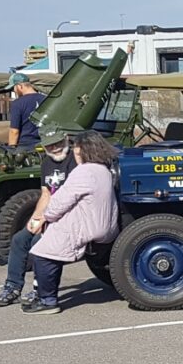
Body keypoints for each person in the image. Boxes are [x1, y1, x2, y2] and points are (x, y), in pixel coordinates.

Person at [25, 130, 118, 314]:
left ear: (83, 151)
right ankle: (46, 296)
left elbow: (60, 200)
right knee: (52, 250)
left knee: (43, 254)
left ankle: (47, 300)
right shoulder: (104, 170)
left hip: (87, 228)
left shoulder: (83, 172)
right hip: (106, 226)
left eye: (77, 151)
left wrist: (46, 217)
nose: (75, 155)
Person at [0, 128, 76, 307]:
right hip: (50, 213)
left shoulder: (74, 160)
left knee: (39, 243)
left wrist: (47, 220)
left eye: (58, 143)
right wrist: (34, 220)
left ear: (66, 139)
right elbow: (46, 194)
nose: (56, 148)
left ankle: (40, 290)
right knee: (20, 239)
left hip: (69, 215)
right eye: (50, 145)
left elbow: (72, 196)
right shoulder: (47, 163)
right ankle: (12, 287)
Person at [5, 73, 45, 148]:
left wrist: (12, 149)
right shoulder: (46, 99)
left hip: (26, 148)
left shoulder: (18, 103)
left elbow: (14, 131)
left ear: (19, 86)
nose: (14, 91)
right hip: (46, 145)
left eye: (14, 88)